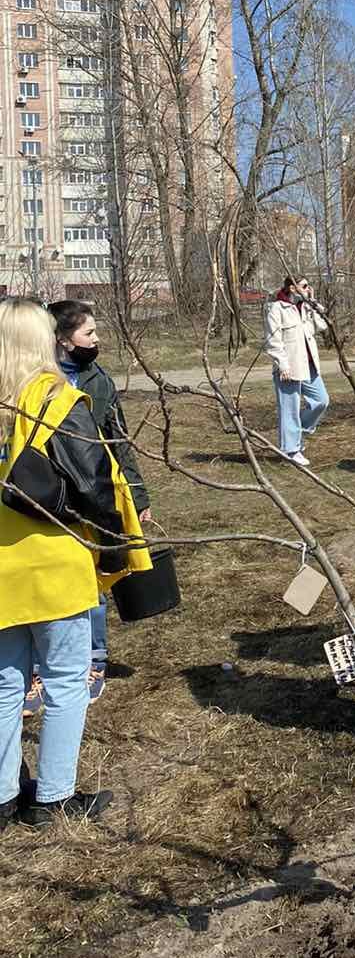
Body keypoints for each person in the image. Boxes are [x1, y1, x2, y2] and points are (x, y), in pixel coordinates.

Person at [0, 298, 147, 831]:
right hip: (54, 563)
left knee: (4, 685)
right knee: (65, 680)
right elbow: (95, 484)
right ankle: (54, 797)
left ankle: (3, 797)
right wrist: (116, 544)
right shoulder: (58, 399)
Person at [41, 301, 151, 707]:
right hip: (45, 497)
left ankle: (93, 657)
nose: (97, 340)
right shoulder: (34, 381)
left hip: (95, 492)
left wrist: (138, 496)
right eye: (89, 334)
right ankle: (45, 661)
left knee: (94, 575)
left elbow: (119, 440)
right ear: (62, 341)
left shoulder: (97, 381)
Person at [263, 276, 328, 468]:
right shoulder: (276, 308)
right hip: (289, 367)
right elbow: (272, 340)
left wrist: (313, 302)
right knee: (289, 408)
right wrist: (282, 365)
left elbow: (322, 326)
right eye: (305, 286)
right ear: (292, 288)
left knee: (321, 401)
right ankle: (291, 450)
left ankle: (297, 434)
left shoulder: (305, 307)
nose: (309, 289)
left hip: (309, 365)